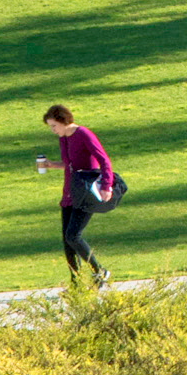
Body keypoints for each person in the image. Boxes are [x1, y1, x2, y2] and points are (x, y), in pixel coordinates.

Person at [42, 103, 118, 281]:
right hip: (69, 193)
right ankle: (76, 284)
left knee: (73, 235)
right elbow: (70, 163)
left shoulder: (83, 134)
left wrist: (107, 186)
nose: (52, 130)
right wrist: (52, 165)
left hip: (86, 192)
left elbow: (104, 160)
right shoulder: (63, 138)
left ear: (63, 121)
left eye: (54, 126)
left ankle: (99, 272)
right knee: (67, 241)